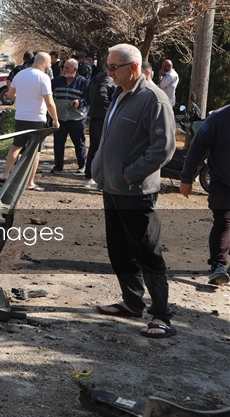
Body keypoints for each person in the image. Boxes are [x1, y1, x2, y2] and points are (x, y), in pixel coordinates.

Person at [93, 43, 176, 338]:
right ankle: (131, 301)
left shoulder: (154, 99)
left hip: (136, 192)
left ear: (134, 68)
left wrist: (129, 175)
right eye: (108, 66)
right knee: (119, 249)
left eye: (114, 67)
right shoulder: (120, 94)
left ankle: (162, 316)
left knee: (146, 252)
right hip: (112, 188)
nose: (109, 72)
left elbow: (163, 148)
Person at [179, 103, 230, 286]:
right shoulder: (218, 117)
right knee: (224, 222)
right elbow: (197, 147)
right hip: (222, 182)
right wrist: (186, 178)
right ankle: (218, 266)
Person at [0, 52, 57, 191]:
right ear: (43, 63)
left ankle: (6, 175)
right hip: (37, 119)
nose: (50, 65)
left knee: (16, 146)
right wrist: (55, 119)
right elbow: (49, 102)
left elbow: (10, 95)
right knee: (35, 151)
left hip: (21, 117)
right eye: (49, 63)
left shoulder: (20, 74)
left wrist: (23, 96)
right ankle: (30, 182)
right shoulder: (44, 77)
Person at [50, 59, 89, 173]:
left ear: (75, 69)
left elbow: (89, 98)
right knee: (58, 143)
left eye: (67, 68)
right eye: (64, 67)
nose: (64, 69)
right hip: (60, 117)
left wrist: (80, 102)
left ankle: (82, 165)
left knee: (79, 143)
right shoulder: (56, 81)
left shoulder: (84, 82)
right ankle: (58, 166)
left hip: (76, 118)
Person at [83, 64, 116, 188]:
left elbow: (86, 92)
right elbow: (102, 94)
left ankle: (88, 176)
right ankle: (100, 180)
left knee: (94, 148)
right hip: (102, 118)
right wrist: (110, 105)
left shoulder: (95, 78)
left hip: (94, 117)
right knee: (103, 148)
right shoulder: (107, 79)